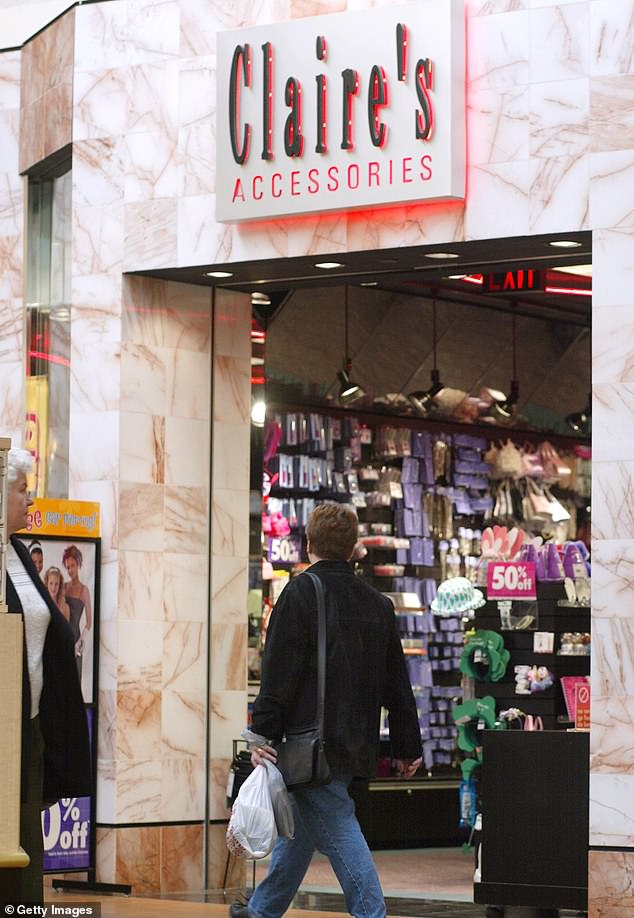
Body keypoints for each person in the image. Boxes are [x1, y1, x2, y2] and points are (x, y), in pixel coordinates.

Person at [232, 502, 422, 918]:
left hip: (309, 741)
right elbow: (397, 682)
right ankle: (261, 910)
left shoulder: (300, 593)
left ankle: (372, 912)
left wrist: (262, 733)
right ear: (354, 548)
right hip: (355, 742)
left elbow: (279, 672)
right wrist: (407, 745)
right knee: (300, 830)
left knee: (337, 824)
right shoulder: (378, 603)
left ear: (308, 544)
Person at [0, 449, 91, 906]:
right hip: (4, 728)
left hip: (29, 726)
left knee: (27, 847)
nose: (30, 498)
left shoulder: (18, 552)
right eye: (22, 490)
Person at [62, 544, 92, 678]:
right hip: (62, 636)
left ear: (78, 564)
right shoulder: (63, 586)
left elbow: (89, 622)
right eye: (68, 567)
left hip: (75, 638)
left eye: (72, 565)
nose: (70, 570)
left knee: (74, 677)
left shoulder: (84, 590)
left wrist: (80, 641)